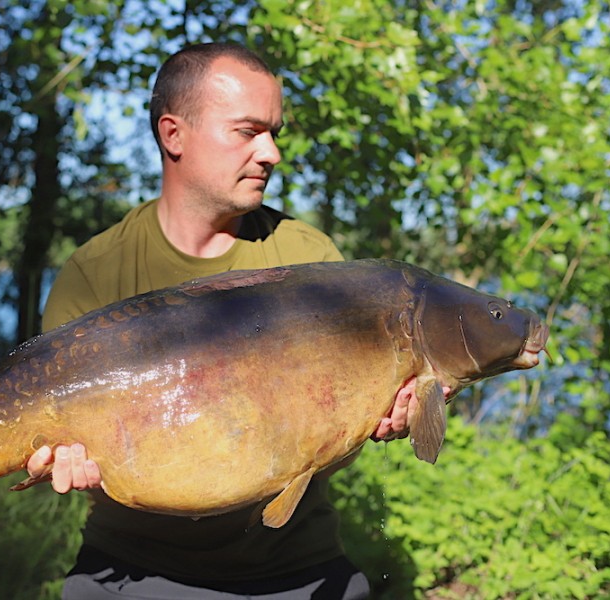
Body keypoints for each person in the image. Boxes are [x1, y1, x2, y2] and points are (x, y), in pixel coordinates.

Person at [26, 42, 408, 599]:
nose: (271, 152)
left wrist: (384, 409)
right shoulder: (96, 272)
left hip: (295, 568)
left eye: (274, 132)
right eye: (248, 131)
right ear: (173, 134)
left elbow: (333, 437)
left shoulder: (312, 262)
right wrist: (53, 456)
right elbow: (47, 428)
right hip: (131, 569)